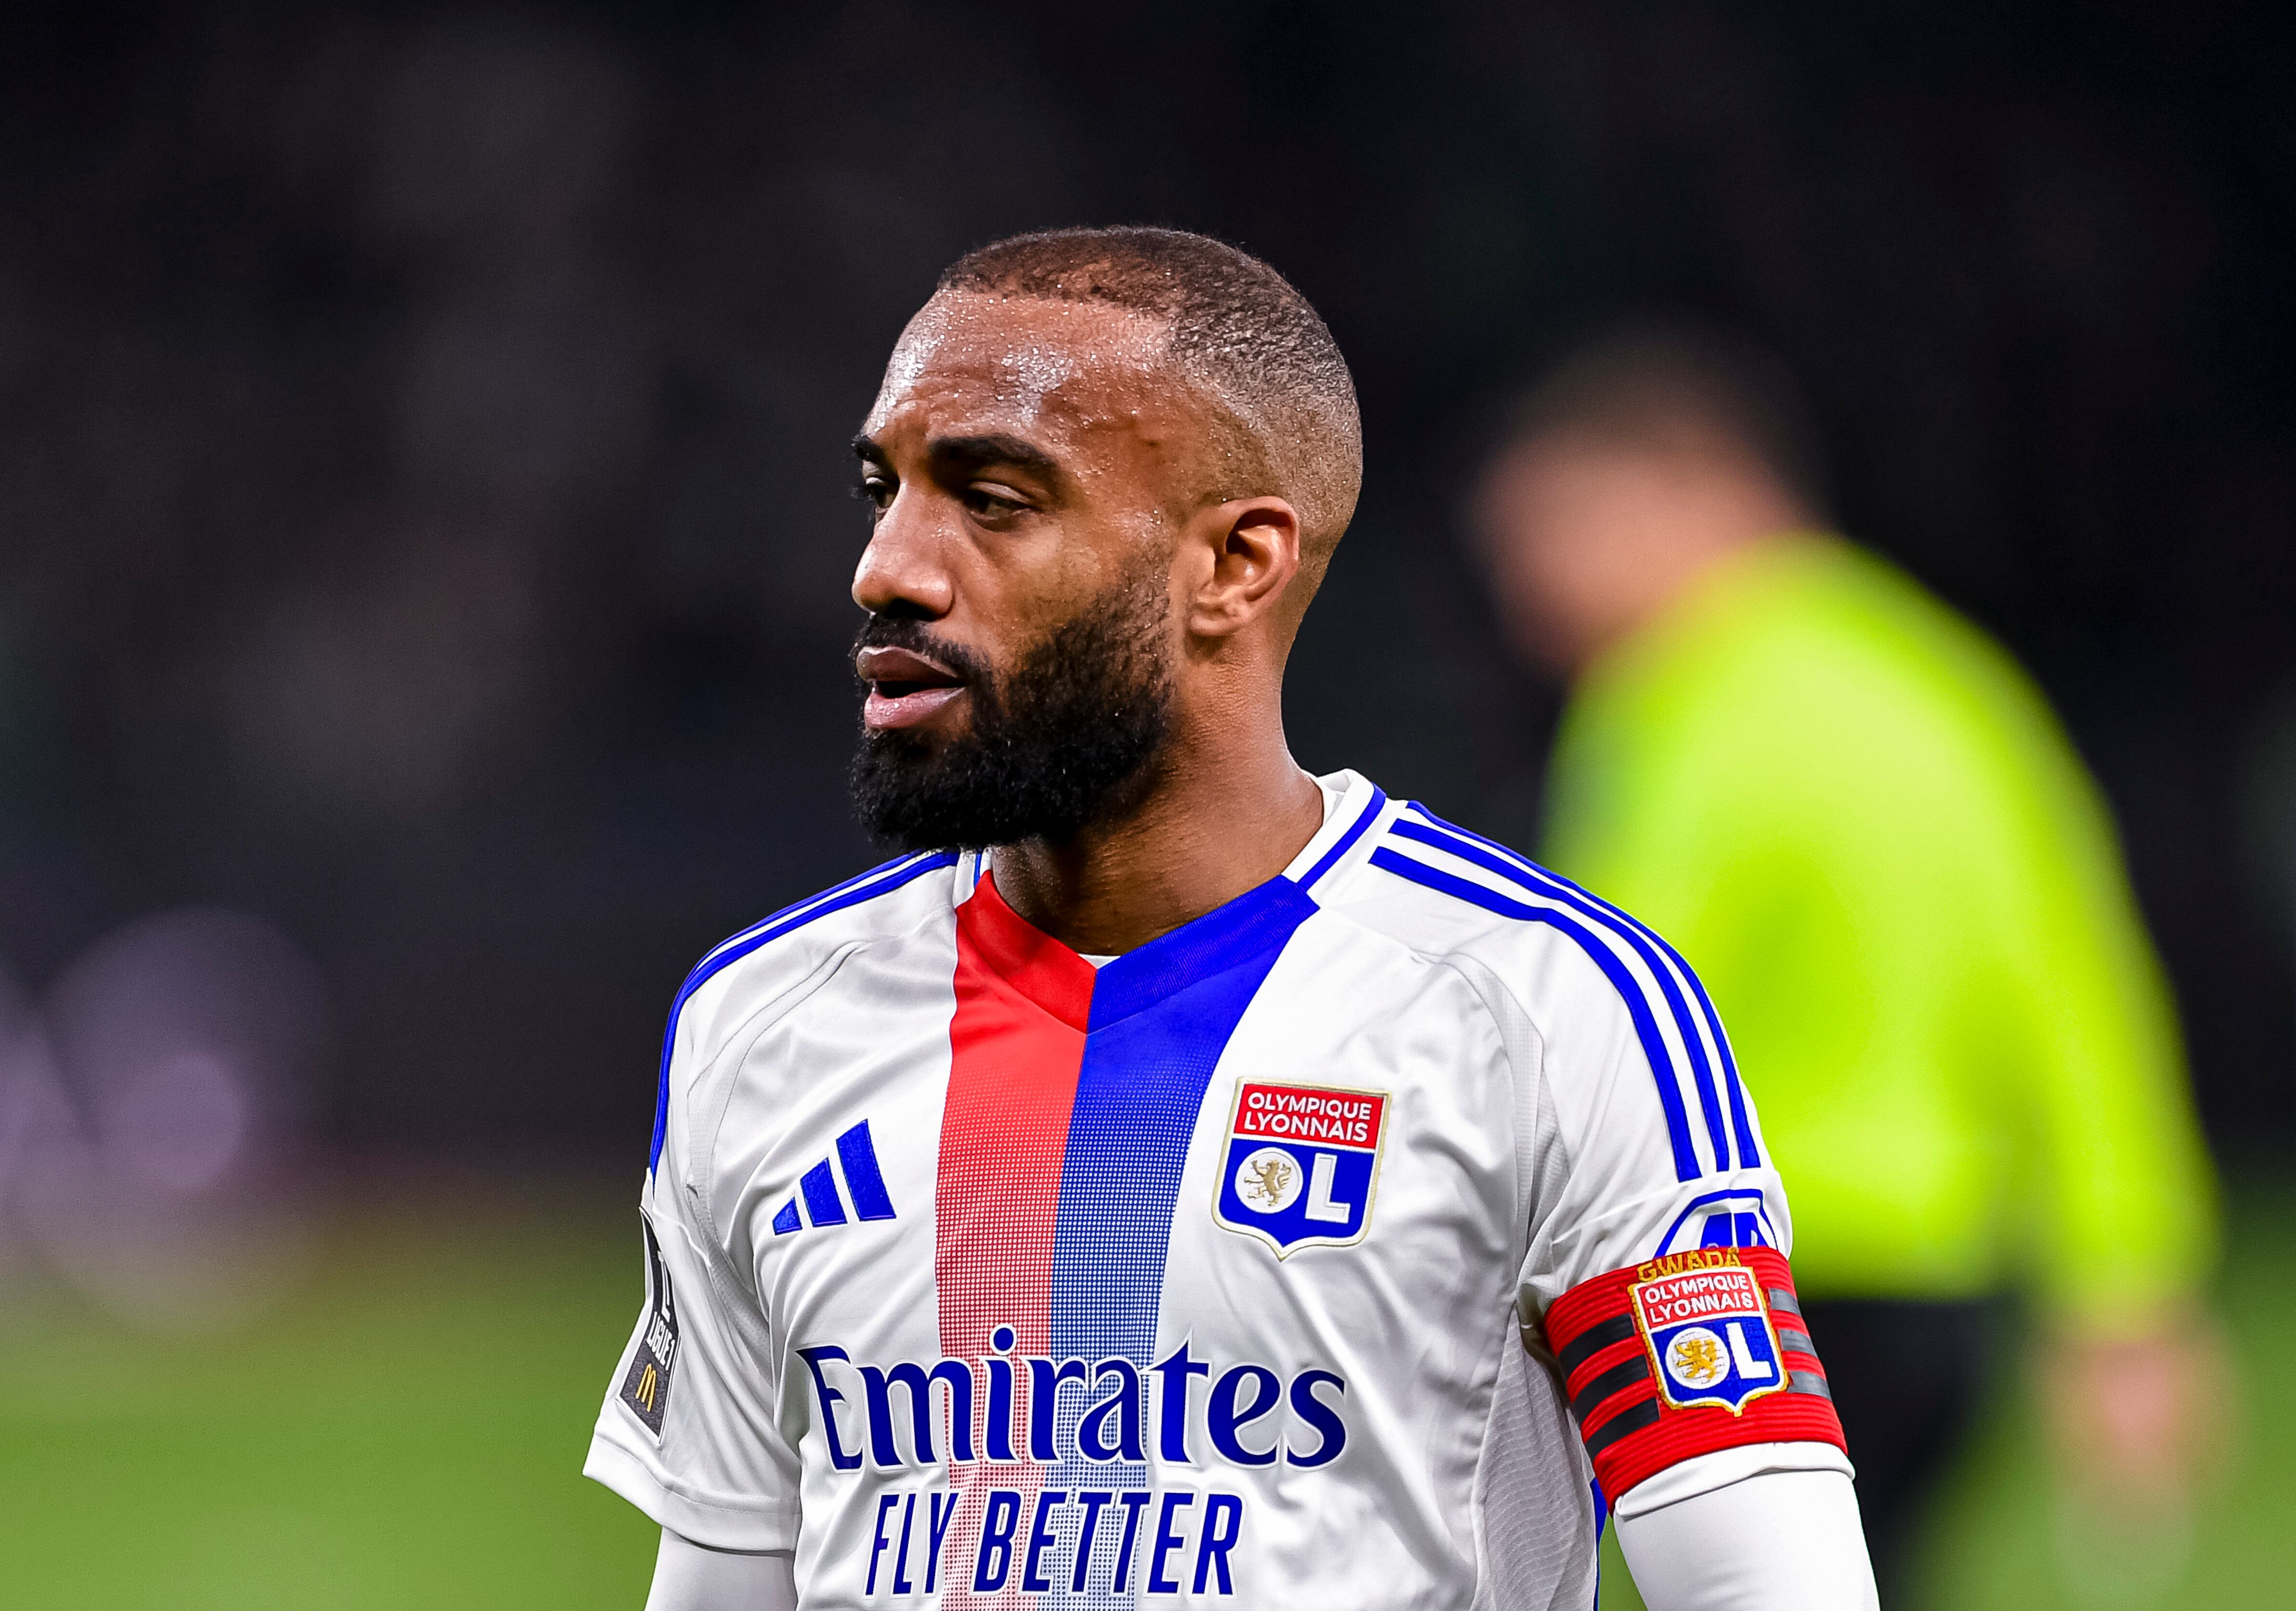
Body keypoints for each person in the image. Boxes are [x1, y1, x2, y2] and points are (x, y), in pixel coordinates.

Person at [585, 231, 1878, 1611]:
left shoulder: (1540, 1007)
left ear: (1235, 567)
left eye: (996, 498)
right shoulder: (766, 1018)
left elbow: (1766, 1585)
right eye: (880, 489)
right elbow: (721, 1584)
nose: (888, 567)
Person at [1466, 328, 2221, 1605]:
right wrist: (2130, 1288)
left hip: (1733, 1278)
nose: (1532, 603)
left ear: (1691, 489)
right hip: (1940, 1294)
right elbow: (2074, 991)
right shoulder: (1946, 688)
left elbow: (1608, 1001)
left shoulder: (1683, 703)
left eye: (1554, 541)